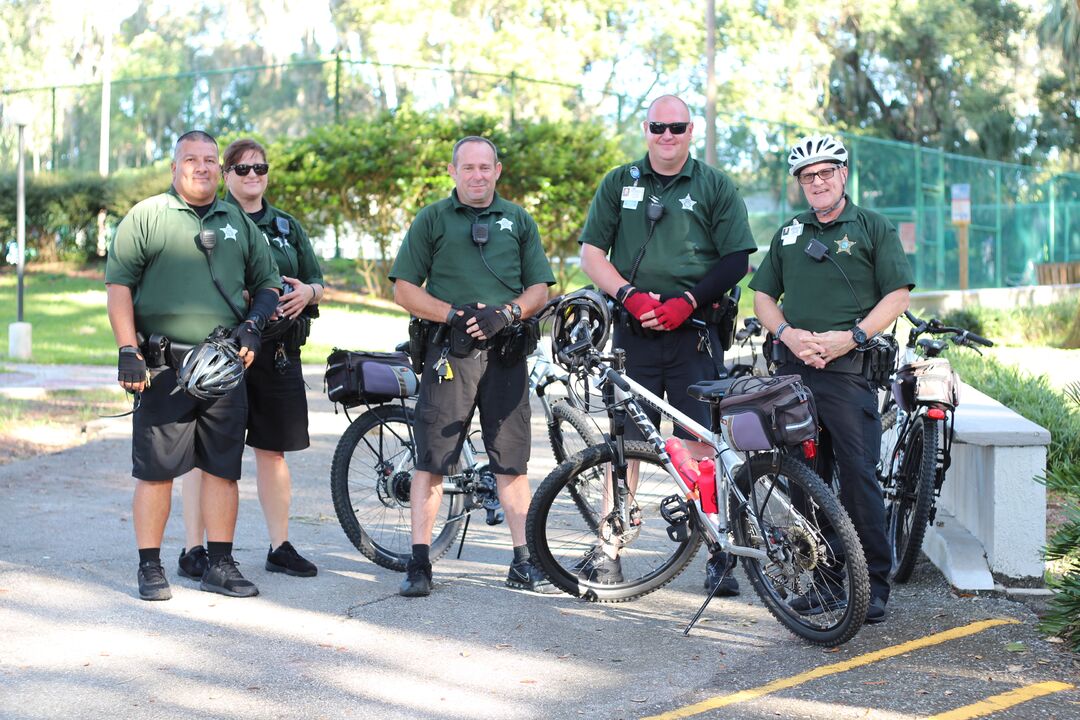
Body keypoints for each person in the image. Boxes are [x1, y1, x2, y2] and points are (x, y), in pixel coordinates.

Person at [579, 94, 757, 596]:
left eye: (676, 127)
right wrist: (629, 295)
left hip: (694, 334)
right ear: (646, 129)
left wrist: (688, 301)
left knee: (699, 442)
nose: (667, 136)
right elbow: (593, 254)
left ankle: (718, 549)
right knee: (624, 444)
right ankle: (611, 546)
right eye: (658, 127)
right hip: (633, 333)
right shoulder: (620, 182)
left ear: (691, 131)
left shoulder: (714, 185)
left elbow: (737, 259)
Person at [105, 130, 281, 601]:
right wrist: (127, 349)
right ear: (174, 167)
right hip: (164, 367)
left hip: (224, 364)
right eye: (191, 159)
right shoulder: (148, 217)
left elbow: (267, 283)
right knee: (156, 472)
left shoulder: (236, 221)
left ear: (218, 168)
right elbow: (119, 286)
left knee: (224, 470)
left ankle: (220, 564)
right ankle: (150, 566)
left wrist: (253, 326)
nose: (201, 167)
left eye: (209, 160)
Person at [749, 134, 914, 624]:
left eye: (825, 173)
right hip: (794, 374)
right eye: (807, 177)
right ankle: (823, 582)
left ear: (843, 175)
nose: (816, 183)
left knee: (859, 480)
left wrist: (852, 338)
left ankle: (873, 585)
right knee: (804, 481)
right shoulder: (788, 233)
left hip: (847, 372)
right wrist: (788, 333)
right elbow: (761, 297)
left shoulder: (872, 227)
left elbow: (898, 295)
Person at [388, 136, 557, 597]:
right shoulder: (434, 219)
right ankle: (419, 563)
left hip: (505, 353)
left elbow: (540, 287)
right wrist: (452, 314)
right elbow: (404, 288)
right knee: (432, 458)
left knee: (511, 460)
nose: (477, 176)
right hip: (450, 353)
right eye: (468, 168)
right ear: (453, 171)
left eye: (485, 168)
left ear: (497, 170)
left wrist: (509, 313)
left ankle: (523, 562)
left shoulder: (517, 219)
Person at [176, 138, 325, 582]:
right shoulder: (214, 221)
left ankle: (279, 545)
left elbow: (317, 279)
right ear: (225, 175)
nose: (253, 175)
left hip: (278, 353)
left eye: (259, 167)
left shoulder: (286, 225)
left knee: (272, 450)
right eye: (241, 169)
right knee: (206, 453)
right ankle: (194, 549)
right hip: (226, 352)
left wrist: (307, 293)